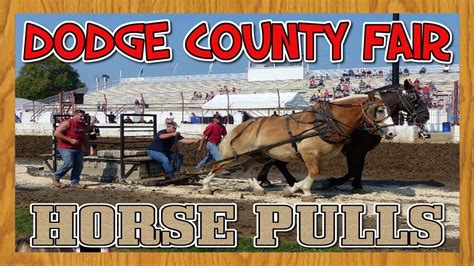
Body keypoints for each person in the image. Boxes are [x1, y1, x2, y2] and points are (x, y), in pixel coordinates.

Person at [52, 110, 88, 189]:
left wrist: (86, 146)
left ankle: (75, 182)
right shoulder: (67, 123)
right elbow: (56, 133)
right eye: (81, 116)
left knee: (79, 165)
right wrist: (70, 140)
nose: (82, 118)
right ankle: (56, 177)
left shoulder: (83, 125)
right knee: (69, 163)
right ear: (75, 116)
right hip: (65, 147)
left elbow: (84, 136)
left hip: (78, 148)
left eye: (83, 116)